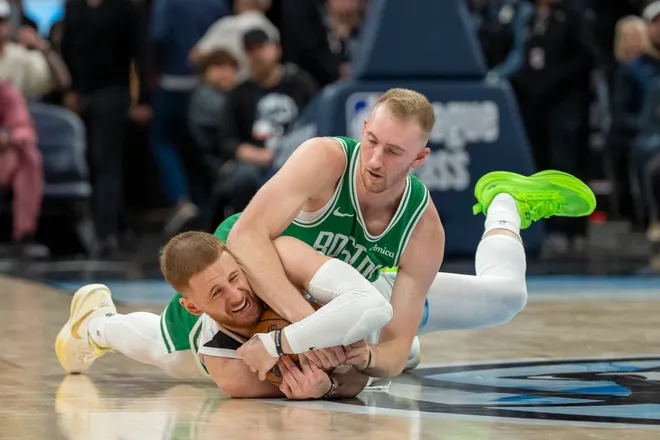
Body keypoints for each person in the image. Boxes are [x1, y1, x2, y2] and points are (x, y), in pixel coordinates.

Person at [56, 88, 596, 386]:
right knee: (171, 355)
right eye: (372, 142)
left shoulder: (422, 228)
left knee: (506, 299)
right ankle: (98, 325)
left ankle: (504, 204)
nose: (376, 161)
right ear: (362, 131)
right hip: (250, 278)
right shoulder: (326, 160)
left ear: (420, 159)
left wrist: (354, 359)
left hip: (344, 295)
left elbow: (391, 350)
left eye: (394, 153)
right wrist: (309, 331)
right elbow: (246, 237)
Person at [56, 229, 395, 400]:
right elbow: (345, 381)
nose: (237, 296)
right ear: (192, 306)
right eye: (217, 293)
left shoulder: (276, 258)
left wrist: (358, 358)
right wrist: (329, 386)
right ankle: (96, 325)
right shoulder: (225, 366)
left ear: (241, 264)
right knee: (163, 347)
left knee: (398, 347)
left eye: (235, 279)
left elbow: (365, 335)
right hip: (202, 342)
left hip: (241, 241)